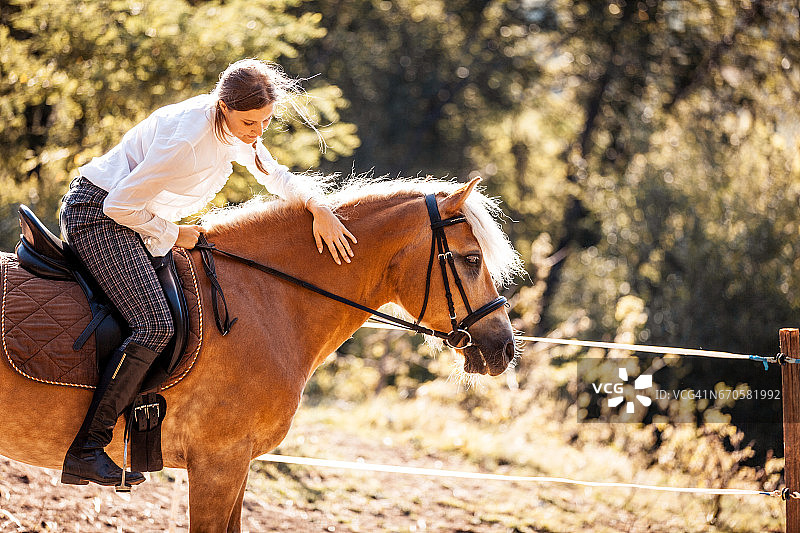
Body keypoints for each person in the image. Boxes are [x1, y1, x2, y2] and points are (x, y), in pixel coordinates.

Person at [58, 59, 357, 487]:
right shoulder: (189, 138)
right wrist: (173, 232)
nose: (258, 132)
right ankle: (88, 447)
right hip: (100, 217)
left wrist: (316, 204)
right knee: (154, 325)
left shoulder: (238, 129)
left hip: (138, 222)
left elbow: (270, 172)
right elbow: (118, 206)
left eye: (267, 121)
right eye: (250, 122)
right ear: (223, 106)